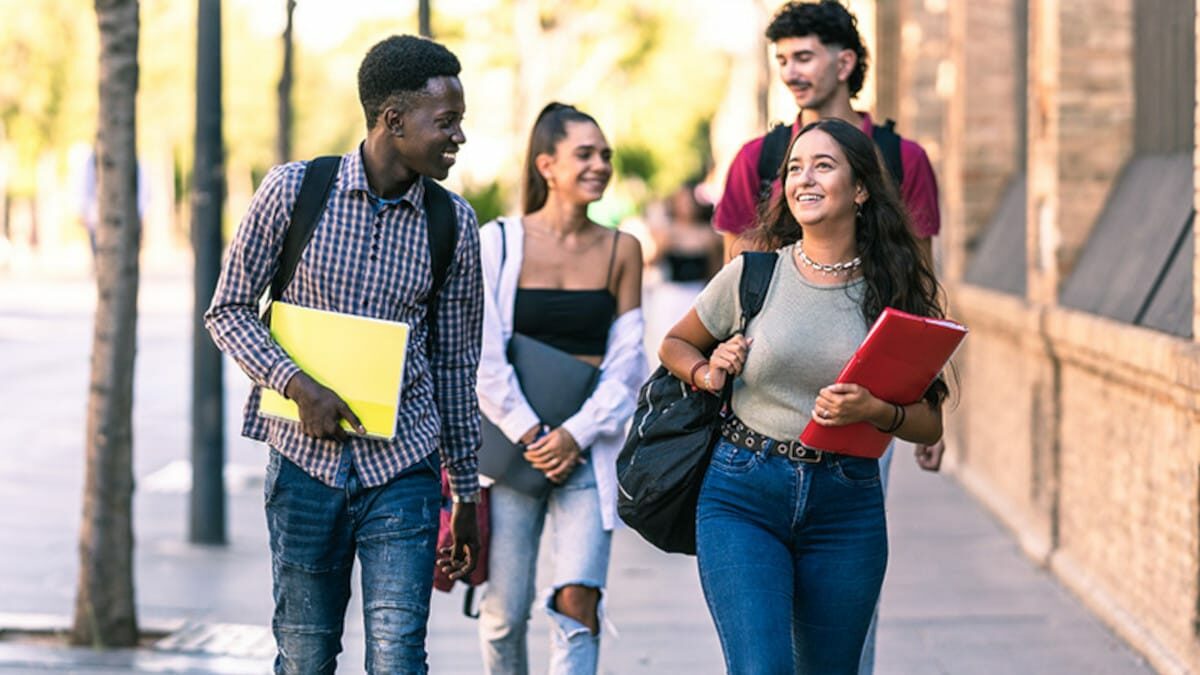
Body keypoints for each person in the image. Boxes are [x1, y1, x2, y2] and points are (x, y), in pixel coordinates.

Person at [205, 35, 482, 674]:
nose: (459, 137)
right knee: (304, 656)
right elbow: (228, 310)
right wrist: (298, 386)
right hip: (305, 469)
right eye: (446, 122)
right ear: (392, 121)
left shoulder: (453, 224)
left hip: (405, 470)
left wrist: (464, 495)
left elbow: (455, 366)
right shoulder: (293, 192)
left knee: (397, 658)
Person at [660, 118, 950, 673]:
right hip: (743, 494)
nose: (803, 179)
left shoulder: (895, 287)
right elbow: (675, 343)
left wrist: (875, 411)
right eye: (795, 168)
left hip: (846, 505)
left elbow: (929, 422)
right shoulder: (754, 273)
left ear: (860, 189)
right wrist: (706, 369)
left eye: (823, 165)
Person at [475, 102, 645, 675]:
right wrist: (532, 433)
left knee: (579, 605)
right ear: (547, 165)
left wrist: (573, 435)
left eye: (605, 156)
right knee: (504, 614)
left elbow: (628, 361)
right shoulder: (496, 242)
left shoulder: (623, 249)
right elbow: (483, 356)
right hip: (512, 452)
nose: (600, 165)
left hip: (587, 452)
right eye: (585, 155)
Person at [642, 183, 723, 364]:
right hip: (670, 296)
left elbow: (714, 270)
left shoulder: (708, 235)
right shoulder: (667, 232)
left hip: (696, 294)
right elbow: (651, 261)